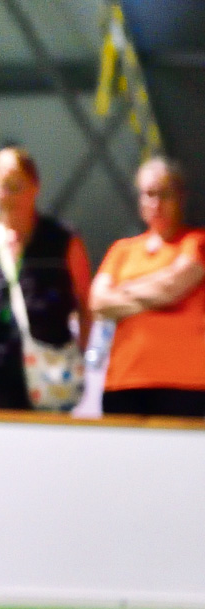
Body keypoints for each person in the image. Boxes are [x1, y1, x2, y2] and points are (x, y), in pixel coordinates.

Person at [0, 147, 92, 411]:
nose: (11, 196)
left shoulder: (64, 240)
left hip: (50, 370)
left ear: (35, 186)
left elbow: (86, 303)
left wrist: (80, 353)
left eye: (17, 186)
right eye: (4, 186)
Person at [90, 156, 205, 418]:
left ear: (180, 198)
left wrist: (122, 292)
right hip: (124, 382)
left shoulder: (195, 241)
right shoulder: (122, 250)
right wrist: (154, 293)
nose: (156, 203)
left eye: (164, 194)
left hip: (185, 383)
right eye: (149, 194)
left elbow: (172, 287)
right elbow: (98, 303)